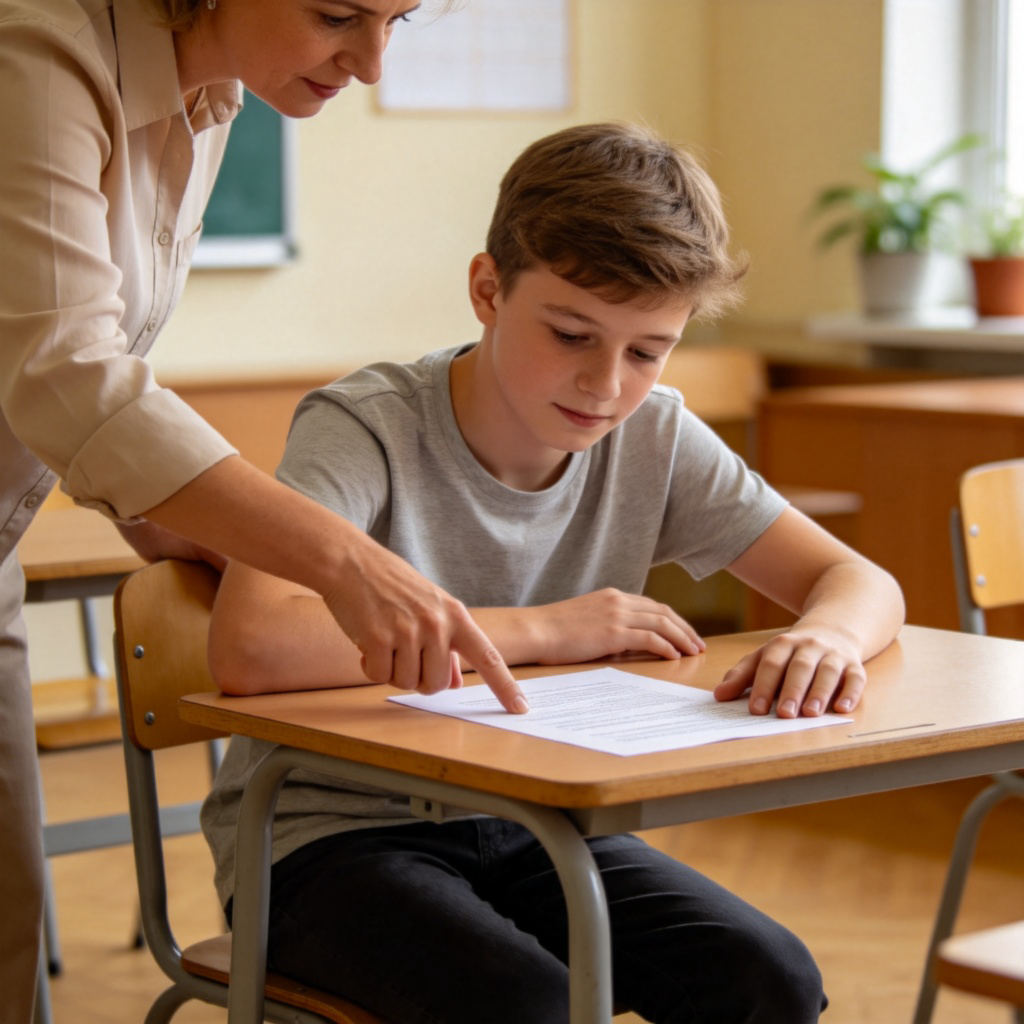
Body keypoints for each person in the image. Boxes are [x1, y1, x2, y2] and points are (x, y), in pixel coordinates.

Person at [204, 122, 906, 1023]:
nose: (607, 385)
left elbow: (859, 580)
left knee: (768, 977)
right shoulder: (367, 426)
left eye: (648, 351)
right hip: (323, 842)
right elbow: (251, 645)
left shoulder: (652, 436)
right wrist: (548, 628)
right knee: (531, 1008)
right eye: (572, 334)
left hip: (533, 827)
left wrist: (827, 634)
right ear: (488, 290)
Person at [0, 1, 528, 1019]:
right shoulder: (35, 46)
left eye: (398, 19)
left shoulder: (211, 94)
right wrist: (342, 557)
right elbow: (67, 377)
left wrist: (186, 526)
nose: (372, 63)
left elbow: (85, 381)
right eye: (338, 14)